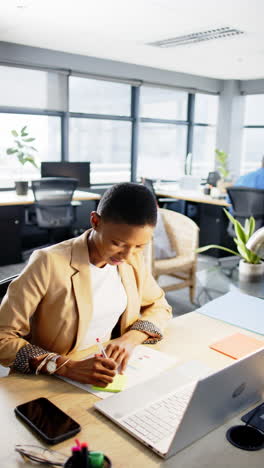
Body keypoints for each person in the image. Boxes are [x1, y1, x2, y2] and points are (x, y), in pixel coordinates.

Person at [0, 183, 172, 387]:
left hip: (105, 371)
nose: (127, 255)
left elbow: (160, 306)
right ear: (95, 221)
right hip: (50, 379)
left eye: (139, 246)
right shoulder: (47, 262)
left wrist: (130, 339)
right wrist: (66, 367)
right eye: (117, 243)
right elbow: (3, 337)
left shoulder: (132, 259)